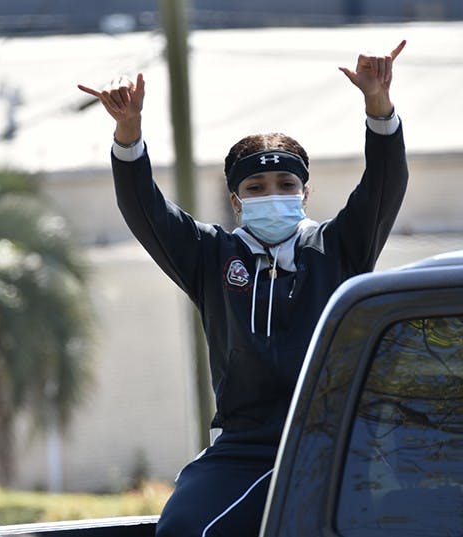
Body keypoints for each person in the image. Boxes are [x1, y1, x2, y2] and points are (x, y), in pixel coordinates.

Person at [78, 40, 408, 536]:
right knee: (184, 526)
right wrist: (128, 135)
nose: (271, 195)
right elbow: (145, 211)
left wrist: (378, 107)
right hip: (241, 443)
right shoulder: (212, 256)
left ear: (305, 192)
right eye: (256, 188)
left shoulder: (340, 246)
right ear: (236, 200)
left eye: (284, 184)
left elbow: (385, 182)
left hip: (329, 437)